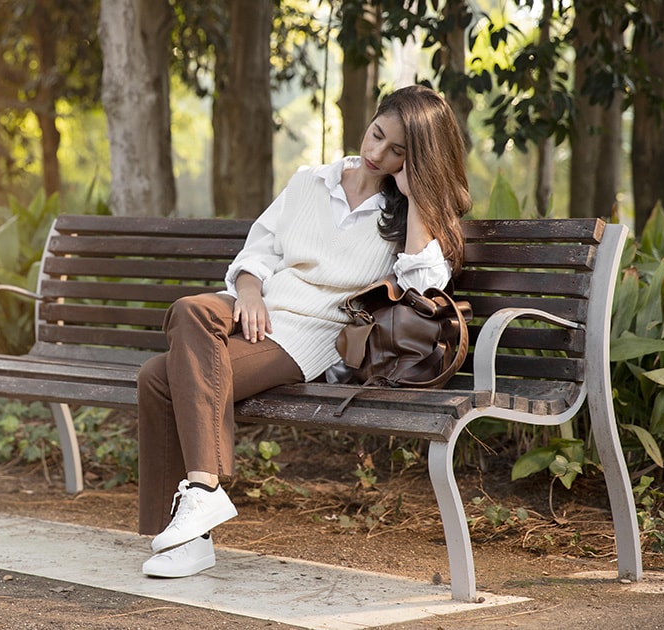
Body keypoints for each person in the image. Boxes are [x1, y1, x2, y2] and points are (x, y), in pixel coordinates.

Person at [136, 84, 472, 578]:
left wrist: (416, 195)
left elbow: (425, 289)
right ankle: (203, 496)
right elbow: (258, 252)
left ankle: (193, 531)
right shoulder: (309, 181)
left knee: (157, 376)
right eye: (377, 134)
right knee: (190, 309)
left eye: (398, 150)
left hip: (309, 337)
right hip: (258, 310)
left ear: (417, 158)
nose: (377, 153)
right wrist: (249, 291)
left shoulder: (408, 211)